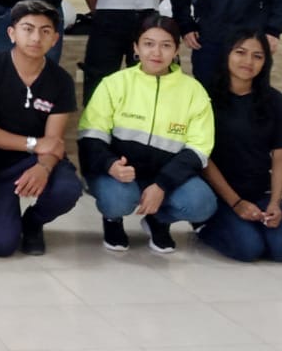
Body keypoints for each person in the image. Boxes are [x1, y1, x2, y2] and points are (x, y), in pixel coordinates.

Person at [78, 15, 216, 254]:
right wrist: (110, 165)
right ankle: (112, 220)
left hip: (166, 176)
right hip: (119, 175)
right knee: (117, 200)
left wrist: (162, 184)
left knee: (202, 204)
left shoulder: (194, 91)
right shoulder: (114, 83)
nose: (156, 52)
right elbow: (91, 136)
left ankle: (158, 220)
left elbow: (199, 149)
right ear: (136, 47)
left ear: (176, 51)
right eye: (148, 44)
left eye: (166, 45)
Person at [0, 0, 84, 257]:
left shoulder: (61, 80)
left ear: (55, 39)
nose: (35, 38)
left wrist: (44, 167)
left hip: (38, 159)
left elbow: (53, 141)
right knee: (2, 246)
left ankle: (33, 223)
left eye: (45, 31)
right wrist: (33, 143)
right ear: (11, 33)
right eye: (28, 29)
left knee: (67, 189)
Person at [197, 32, 282, 263]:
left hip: (259, 191)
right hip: (219, 194)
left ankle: (248, 224)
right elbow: (203, 158)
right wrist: (236, 203)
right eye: (240, 53)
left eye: (257, 56)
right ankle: (204, 227)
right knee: (249, 248)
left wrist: (275, 202)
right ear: (227, 54)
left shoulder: (275, 100)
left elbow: (281, 155)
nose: (248, 62)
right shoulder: (205, 97)